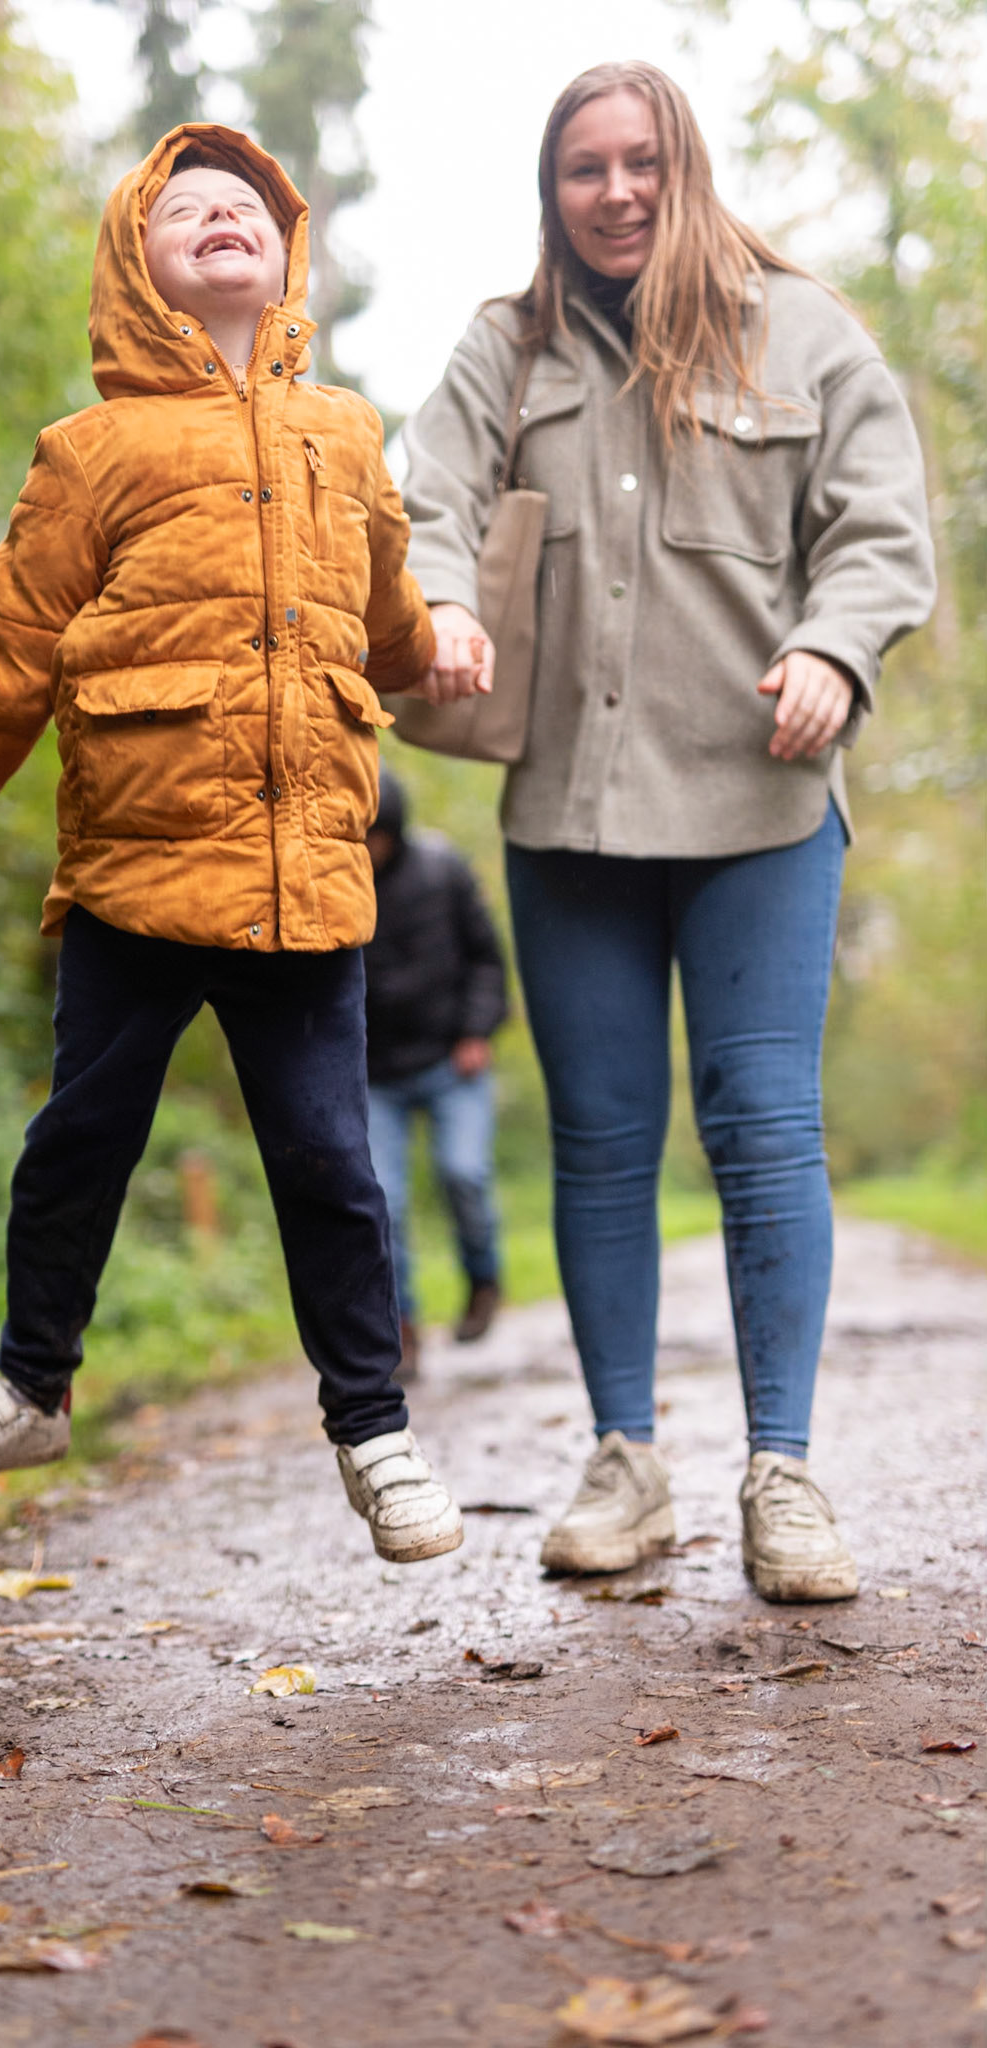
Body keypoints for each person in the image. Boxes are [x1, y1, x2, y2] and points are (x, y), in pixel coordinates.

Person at [0, 124, 464, 1567]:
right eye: (182, 209)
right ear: (131, 269)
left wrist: (434, 639)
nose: (220, 221)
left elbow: (382, 616)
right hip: (139, 874)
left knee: (331, 1166)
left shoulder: (342, 435)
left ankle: (373, 1429)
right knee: (78, 1141)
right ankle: (30, 1383)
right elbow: (13, 650)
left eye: (245, 210)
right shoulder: (91, 454)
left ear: (284, 257)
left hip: (305, 881)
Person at [401, 62, 935, 1601]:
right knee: (598, 1144)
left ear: (681, 167)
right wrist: (438, 600)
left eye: (640, 162)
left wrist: (833, 650)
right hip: (568, 814)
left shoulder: (803, 332)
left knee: (763, 1134)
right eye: (584, 169)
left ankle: (782, 1476)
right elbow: (423, 502)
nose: (616, 192)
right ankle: (624, 1463)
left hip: (760, 803)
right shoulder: (499, 355)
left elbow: (878, 531)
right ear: (550, 190)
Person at [363, 766, 509, 1376]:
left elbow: (486, 960)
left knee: (464, 1173)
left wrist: (476, 1030)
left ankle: (483, 1280)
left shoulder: (442, 870)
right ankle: (402, 1328)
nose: (367, 849)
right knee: (382, 1203)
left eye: (376, 836)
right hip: (374, 1073)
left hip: (452, 1059)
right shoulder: (332, 882)